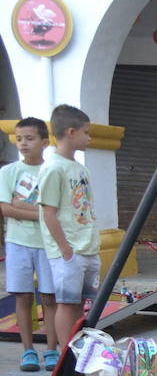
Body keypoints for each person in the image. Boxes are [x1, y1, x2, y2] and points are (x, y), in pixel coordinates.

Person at [36, 105, 100, 349]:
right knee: (66, 302)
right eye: (86, 132)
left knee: (80, 303)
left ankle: (79, 350)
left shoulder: (80, 168)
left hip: (87, 246)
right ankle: (66, 354)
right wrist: (64, 247)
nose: (89, 137)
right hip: (69, 250)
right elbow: (48, 211)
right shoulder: (53, 167)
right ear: (71, 132)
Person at [1, 117, 57, 371]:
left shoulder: (54, 171)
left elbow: (59, 211)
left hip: (48, 244)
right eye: (19, 138)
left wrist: (21, 206)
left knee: (49, 297)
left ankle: (52, 350)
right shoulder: (8, 172)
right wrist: (41, 213)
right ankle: (28, 351)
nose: (23, 143)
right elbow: (5, 209)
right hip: (17, 243)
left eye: (30, 138)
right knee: (23, 296)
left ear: (45, 142)